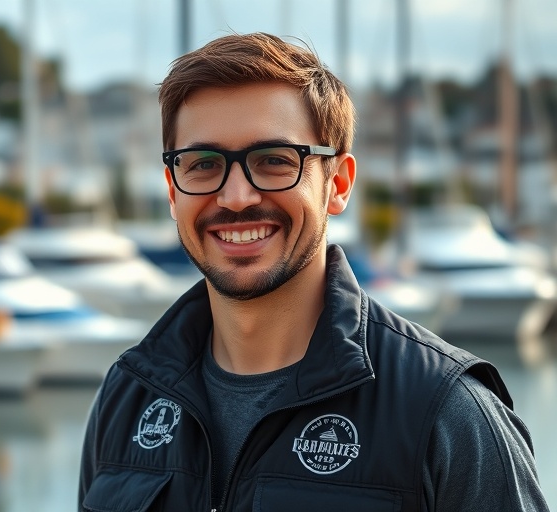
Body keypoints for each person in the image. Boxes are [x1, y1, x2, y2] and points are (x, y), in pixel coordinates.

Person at [78, 32, 548, 511]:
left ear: (338, 183)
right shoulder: (126, 396)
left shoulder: (446, 412)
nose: (237, 197)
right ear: (173, 192)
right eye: (202, 164)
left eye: (274, 161)